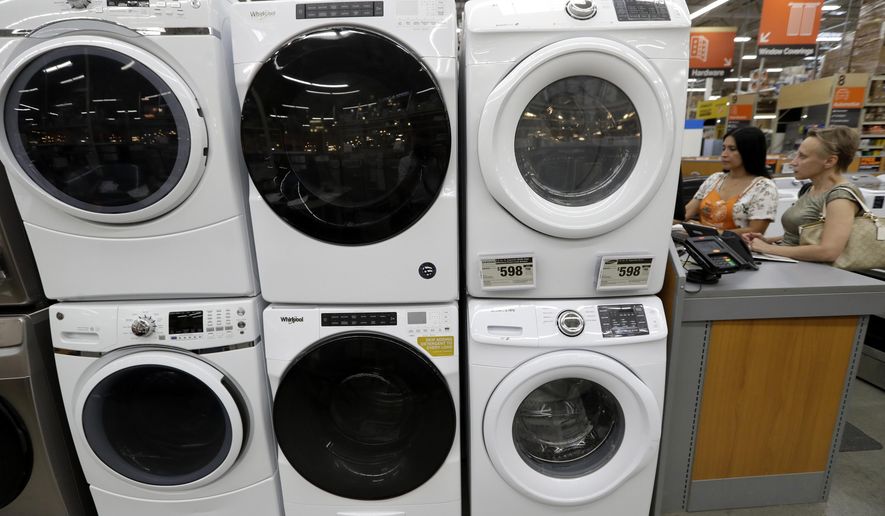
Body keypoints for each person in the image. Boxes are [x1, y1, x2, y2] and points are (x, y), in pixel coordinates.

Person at [743, 126, 864, 262]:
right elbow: (804, 237)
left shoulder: (841, 198)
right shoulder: (810, 189)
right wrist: (767, 241)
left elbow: (828, 252)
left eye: (802, 156)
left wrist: (767, 248)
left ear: (830, 161)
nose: (793, 162)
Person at [683, 126, 778, 234]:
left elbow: (755, 231)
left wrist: (709, 231)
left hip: (734, 244)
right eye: (723, 148)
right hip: (700, 241)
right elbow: (686, 212)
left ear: (750, 152)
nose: (724, 154)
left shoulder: (764, 188)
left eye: (732, 149)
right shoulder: (714, 179)